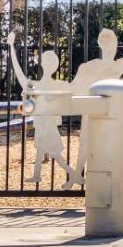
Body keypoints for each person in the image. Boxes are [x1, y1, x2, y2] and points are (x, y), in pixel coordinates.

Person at [8, 32, 82, 189]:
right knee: (41, 149)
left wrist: (11, 48)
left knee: (56, 154)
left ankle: (76, 177)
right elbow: (76, 87)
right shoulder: (44, 85)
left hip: (47, 124)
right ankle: (37, 175)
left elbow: (19, 73)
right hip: (42, 123)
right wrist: (10, 48)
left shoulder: (41, 85)